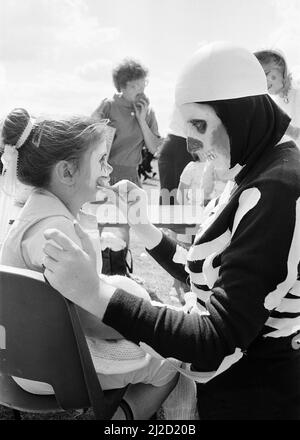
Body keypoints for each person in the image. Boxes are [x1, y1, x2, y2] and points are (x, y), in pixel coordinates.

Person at [42, 42, 300, 420]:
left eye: (199, 125)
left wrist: (94, 293)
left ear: (240, 113)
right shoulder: (253, 162)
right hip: (238, 386)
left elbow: (217, 340)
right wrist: (145, 230)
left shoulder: (278, 186)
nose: (192, 145)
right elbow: (213, 276)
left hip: (254, 396)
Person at [0, 108, 182, 420]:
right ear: (67, 173)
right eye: (100, 160)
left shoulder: (32, 216)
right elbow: (89, 318)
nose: (109, 167)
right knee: (170, 365)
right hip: (57, 367)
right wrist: (147, 324)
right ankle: (120, 421)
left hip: (21, 360)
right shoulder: (56, 235)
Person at [91, 58, 161, 271]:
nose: (140, 91)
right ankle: (100, 270)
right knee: (101, 224)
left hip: (130, 175)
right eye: (134, 86)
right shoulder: (109, 105)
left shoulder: (147, 111)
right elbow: (88, 131)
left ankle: (121, 270)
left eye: (142, 85)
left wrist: (141, 119)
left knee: (124, 226)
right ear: (121, 86)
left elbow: (153, 147)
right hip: (105, 174)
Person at [254, 49, 300, 147]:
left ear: (281, 66)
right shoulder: (275, 107)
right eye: (259, 80)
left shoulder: (296, 78)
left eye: (266, 74)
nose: (264, 82)